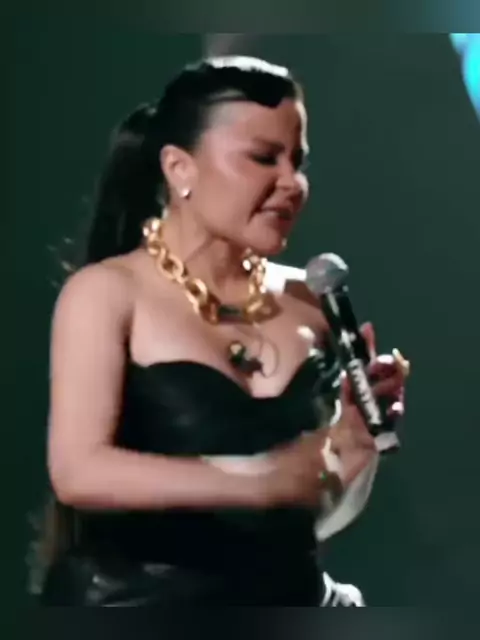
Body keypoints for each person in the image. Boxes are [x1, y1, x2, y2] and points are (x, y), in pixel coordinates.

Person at [34, 55, 407, 606]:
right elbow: (78, 471)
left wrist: (354, 445)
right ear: (179, 168)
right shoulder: (106, 293)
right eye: (263, 158)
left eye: (297, 161)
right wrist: (257, 478)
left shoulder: (310, 297)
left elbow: (313, 514)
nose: (292, 183)